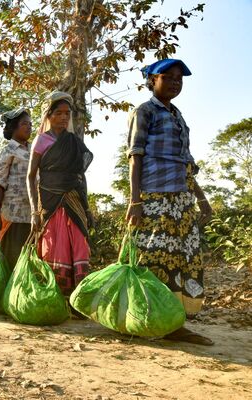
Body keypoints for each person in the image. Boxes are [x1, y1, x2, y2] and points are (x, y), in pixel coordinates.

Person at [126, 59, 213, 346]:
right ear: (152, 80)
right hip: (155, 197)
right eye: (169, 77)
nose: (176, 82)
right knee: (154, 258)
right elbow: (135, 156)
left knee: (183, 260)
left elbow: (186, 163)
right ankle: (143, 318)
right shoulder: (145, 111)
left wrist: (202, 200)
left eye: (180, 78)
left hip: (181, 199)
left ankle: (175, 323)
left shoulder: (178, 116)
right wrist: (135, 201)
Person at [27, 91, 94, 297]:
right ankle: (54, 296)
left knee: (79, 244)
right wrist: (34, 211)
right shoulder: (41, 141)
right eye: (59, 113)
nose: (64, 117)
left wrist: (88, 207)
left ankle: (78, 298)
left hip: (74, 200)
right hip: (49, 202)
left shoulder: (73, 141)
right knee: (54, 246)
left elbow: (80, 176)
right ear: (49, 115)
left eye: (67, 113)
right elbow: (31, 176)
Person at [0, 108, 33, 269]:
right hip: (12, 214)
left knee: (28, 259)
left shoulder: (34, 150)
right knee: (12, 258)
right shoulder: (7, 151)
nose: (29, 127)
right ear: (14, 127)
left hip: (31, 214)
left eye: (30, 124)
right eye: (24, 124)